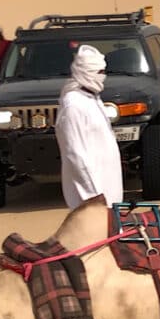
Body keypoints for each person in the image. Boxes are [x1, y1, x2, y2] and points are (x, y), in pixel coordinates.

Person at [55, 45, 123, 210]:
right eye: (99, 72)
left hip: (108, 189)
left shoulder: (92, 99)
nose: (103, 77)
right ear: (86, 72)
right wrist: (94, 195)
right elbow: (75, 153)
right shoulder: (73, 105)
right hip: (91, 196)